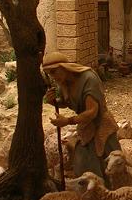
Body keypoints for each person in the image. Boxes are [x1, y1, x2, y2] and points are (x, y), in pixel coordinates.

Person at [43, 51, 120, 184]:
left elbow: (92, 111)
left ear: (64, 67)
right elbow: (68, 102)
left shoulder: (88, 79)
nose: (53, 77)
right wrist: (53, 102)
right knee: (83, 164)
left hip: (101, 126)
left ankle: (111, 193)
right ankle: (94, 192)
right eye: (50, 74)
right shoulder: (64, 83)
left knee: (109, 164)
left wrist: (68, 121)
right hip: (85, 127)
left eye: (54, 71)